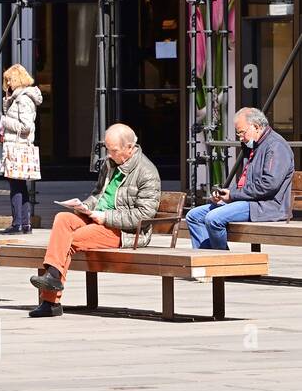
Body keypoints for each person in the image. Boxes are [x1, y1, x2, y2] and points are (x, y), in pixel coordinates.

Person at [28, 123, 161, 319]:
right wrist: (86, 207)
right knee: (63, 218)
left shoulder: (147, 172)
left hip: (124, 231)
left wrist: (106, 217)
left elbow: (144, 215)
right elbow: (98, 194)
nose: (109, 154)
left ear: (130, 148)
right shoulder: (110, 164)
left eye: (113, 150)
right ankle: (53, 278)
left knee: (72, 239)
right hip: (98, 219)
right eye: (107, 149)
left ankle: (50, 300)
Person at [186, 107, 295, 250]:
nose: (240, 137)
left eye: (241, 132)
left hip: (267, 206)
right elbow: (246, 183)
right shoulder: (253, 146)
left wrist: (233, 195)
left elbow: (268, 185)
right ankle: (208, 260)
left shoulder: (276, 146)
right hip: (249, 201)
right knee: (193, 216)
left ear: (256, 127)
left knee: (213, 218)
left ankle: (223, 265)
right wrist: (226, 193)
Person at [0, 64, 42, 234]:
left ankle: (18, 224)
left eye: (9, 80)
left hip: (18, 148)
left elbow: (26, 126)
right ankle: (25, 224)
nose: (7, 84)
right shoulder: (19, 97)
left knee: (16, 187)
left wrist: (4, 121)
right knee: (20, 187)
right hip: (17, 146)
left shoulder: (23, 99)